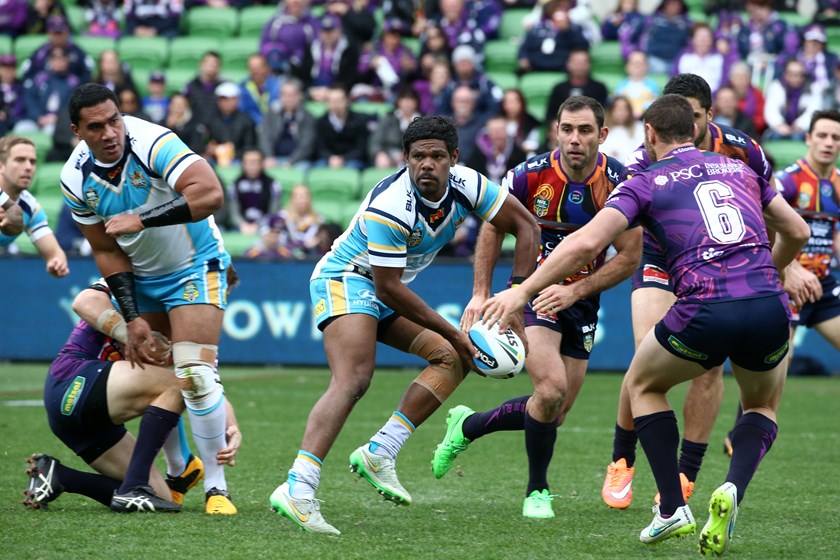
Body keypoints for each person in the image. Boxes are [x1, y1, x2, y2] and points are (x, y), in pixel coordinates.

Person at [479, 93, 810, 554]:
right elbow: (797, 231)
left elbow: (584, 244)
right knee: (759, 408)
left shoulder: (645, 180)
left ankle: (671, 508)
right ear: (694, 130)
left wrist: (521, 289)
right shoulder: (743, 168)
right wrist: (771, 273)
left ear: (650, 135)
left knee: (643, 384)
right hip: (767, 305)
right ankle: (732, 487)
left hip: (706, 306)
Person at [268, 115, 540, 535]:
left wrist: (517, 299)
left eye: (435, 156)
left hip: (381, 287)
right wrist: (454, 330)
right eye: (417, 157)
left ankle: (381, 450)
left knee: (452, 358)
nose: (426, 165)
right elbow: (389, 288)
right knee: (355, 377)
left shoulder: (468, 184)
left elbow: (526, 226)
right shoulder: (392, 206)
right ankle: (297, 487)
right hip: (345, 279)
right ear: (406, 159)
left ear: (454, 158)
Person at [432, 96, 642, 519]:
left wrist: (578, 290)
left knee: (555, 412)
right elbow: (493, 228)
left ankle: (467, 425)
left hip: (579, 301)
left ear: (602, 135)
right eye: (567, 129)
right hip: (530, 294)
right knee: (550, 390)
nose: (575, 139)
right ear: (556, 131)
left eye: (585, 131)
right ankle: (537, 491)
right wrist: (481, 291)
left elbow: (630, 256)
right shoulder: (529, 176)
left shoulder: (620, 181)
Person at [601, 73, 777, 511]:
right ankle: (622, 459)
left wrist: (774, 263)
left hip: (727, 269)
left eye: (693, 116)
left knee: (710, 368)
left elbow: (770, 209)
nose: (685, 124)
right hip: (663, 259)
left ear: (708, 115)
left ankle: (684, 476)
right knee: (646, 354)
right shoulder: (644, 158)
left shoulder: (742, 150)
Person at [61, 83, 236, 514]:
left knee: (194, 370)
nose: (110, 133)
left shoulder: (153, 141)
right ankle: (179, 467)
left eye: (114, 120)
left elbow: (211, 193)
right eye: (96, 127)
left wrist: (141, 218)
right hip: (144, 277)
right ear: (77, 131)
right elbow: (105, 248)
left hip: (195, 264)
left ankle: (218, 489)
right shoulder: (73, 178)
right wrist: (132, 315)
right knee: (159, 369)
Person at [24, 277, 242, 512]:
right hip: (73, 381)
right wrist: (133, 337)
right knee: (183, 383)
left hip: (89, 422)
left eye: (219, 299)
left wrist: (232, 427)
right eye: (213, 296)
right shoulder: (150, 281)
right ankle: (175, 468)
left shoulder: (195, 329)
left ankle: (61, 477)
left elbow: (210, 389)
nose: (213, 306)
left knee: (161, 498)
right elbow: (84, 301)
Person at [0, 136, 68, 278]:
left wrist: (57, 262)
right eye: (20, 160)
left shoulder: (29, 207)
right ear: (1, 166)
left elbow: (55, 253)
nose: (28, 167)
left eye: (33, 161)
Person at [226, 148, 281, 235]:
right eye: (248, 163)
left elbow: (273, 211)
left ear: (262, 164)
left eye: (255, 162)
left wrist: (258, 225)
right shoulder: (235, 184)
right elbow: (233, 210)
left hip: (265, 226)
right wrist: (242, 224)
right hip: (240, 227)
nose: (252, 166)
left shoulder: (272, 184)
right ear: (242, 164)